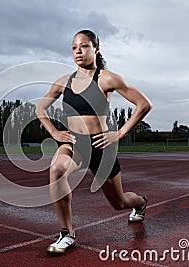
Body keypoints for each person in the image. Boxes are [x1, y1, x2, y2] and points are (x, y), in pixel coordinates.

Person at [35, 29, 153, 254]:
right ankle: (67, 234)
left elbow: (144, 104)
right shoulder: (63, 82)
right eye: (74, 47)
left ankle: (140, 202)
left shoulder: (107, 78)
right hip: (73, 143)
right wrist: (54, 132)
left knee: (119, 203)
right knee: (56, 170)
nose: (78, 51)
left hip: (100, 146)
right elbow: (40, 108)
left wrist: (119, 133)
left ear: (96, 48)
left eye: (84, 46)